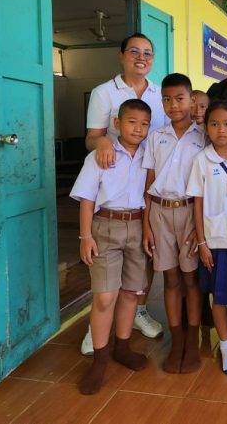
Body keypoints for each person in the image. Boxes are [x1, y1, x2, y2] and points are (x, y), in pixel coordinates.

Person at [82, 33, 166, 351]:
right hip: (113, 179)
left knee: (143, 259)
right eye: (134, 51)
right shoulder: (104, 92)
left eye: (147, 53)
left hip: (146, 183)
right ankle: (97, 327)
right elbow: (91, 137)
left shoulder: (159, 94)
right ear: (121, 56)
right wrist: (103, 141)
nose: (141, 57)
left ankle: (137, 312)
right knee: (106, 278)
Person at [70, 99, 153, 395]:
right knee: (105, 296)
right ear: (117, 124)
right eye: (131, 122)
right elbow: (87, 198)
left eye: (144, 124)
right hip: (105, 226)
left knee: (131, 292)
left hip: (137, 226)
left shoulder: (148, 156)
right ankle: (100, 359)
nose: (138, 129)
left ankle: (123, 347)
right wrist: (85, 237)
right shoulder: (101, 155)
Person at [141, 73, 206, 374]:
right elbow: (149, 182)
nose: (173, 105)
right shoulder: (156, 137)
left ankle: (192, 339)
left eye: (180, 98)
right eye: (166, 99)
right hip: (159, 213)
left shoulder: (203, 137)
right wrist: (146, 224)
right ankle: (176, 339)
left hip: (191, 213)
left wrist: (199, 225)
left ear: (192, 100)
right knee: (169, 279)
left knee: (191, 279)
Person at [186, 100, 227, 375]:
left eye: (226, 124)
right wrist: (202, 243)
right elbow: (197, 203)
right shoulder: (202, 160)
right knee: (220, 297)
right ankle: (224, 347)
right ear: (206, 128)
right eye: (214, 124)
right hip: (216, 241)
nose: (220, 130)